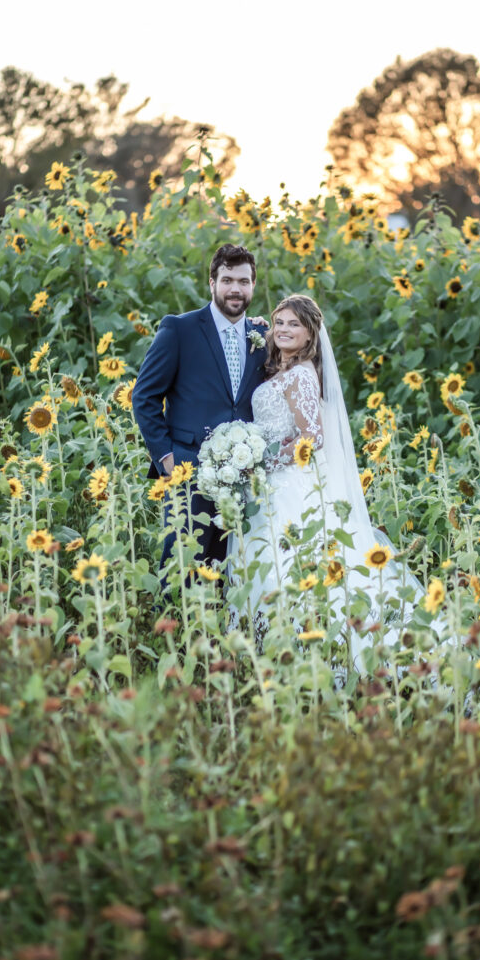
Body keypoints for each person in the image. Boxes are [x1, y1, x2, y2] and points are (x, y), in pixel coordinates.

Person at [236, 294, 430, 670]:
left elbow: (313, 438)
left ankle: (340, 654)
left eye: (294, 324)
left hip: (288, 483)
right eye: (280, 323)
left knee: (296, 566)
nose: (284, 330)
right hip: (272, 484)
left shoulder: (302, 375)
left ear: (311, 334)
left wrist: (263, 461)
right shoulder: (281, 371)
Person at [133, 244, 268, 568]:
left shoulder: (262, 336)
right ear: (212, 282)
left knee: (233, 574)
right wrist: (166, 458)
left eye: (244, 281)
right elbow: (144, 396)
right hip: (186, 472)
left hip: (244, 479)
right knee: (181, 571)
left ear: (253, 285)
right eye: (227, 280)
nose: (235, 289)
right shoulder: (179, 329)